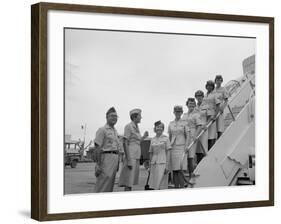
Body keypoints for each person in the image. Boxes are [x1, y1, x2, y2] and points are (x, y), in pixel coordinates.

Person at [118, 109, 149, 191]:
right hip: (131, 156)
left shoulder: (136, 127)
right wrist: (128, 159)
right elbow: (125, 142)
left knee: (131, 181)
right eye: (139, 116)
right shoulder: (128, 126)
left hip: (136, 156)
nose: (141, 117)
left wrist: (144, 137)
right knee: (128, 181)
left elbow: (137, 141)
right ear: (135, 117)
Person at [93, 107, 121, 193]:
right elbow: (97, 148)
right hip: (105, 159)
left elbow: (117, 149)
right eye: (112, 116)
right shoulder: (102, 130)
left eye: (116, 116)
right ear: (107, 117)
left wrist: (118, 163)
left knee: (109, 186)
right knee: (102, 184)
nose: (114, 118)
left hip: (114, 160)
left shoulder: (115, 132)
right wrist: (98, 165)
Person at [182, 98, 203, 184]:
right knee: (185, 156)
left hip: (192, 135)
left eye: (193, 104)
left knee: (191, 157)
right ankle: (186, 174)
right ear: (187, 105)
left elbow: (199, 126)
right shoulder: (184, 115)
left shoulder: (196, 114)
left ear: (194, 105)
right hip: (184, 136)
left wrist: (195, 135)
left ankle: (192, 176)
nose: (191, 105)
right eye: (190, 104)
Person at [168, 105, 189, 188]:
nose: (178, 113)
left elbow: (188, 135)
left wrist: (186, 146)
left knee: (181, 169)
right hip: (173, 148)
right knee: (175, 170)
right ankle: (176, 188)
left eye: (179, 112)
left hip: (181, 147)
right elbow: (169, 136)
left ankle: (182, 188)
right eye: (176, 112)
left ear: (181, 113)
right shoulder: (171, 123)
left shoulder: (185, 122)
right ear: (174, 112)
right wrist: (169, 147)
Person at [148, 121, 171, 190]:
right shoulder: (152, 139)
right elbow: (150, 152)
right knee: (154, 184)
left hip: (162, 163)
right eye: (158, 127)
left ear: (163, 129)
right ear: (155, 128)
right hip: (154, 163)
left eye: (161, 127)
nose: (159, 128)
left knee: (161, 184)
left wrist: (167, 165)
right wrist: (150, 165)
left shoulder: (166, 138)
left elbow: (168, 152)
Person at [204, 80, 220, 150]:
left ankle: (211, 149)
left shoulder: (215, 95)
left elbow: (218, 105)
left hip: (212, 116)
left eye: (211, 86)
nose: (209, 87)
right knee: (206, 135)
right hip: (205, 117)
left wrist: (215, 116)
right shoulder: (204, 95)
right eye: (208, 85)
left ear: (213, 87)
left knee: (211, 135)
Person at [194, 90, 209, 164]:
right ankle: (198, 164)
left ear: (203, 97)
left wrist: (207, 124)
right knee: (197, 148)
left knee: (203, 147)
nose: (199, 97)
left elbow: (210, 116)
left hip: (203, 129)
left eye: (200, 96)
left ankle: (204, 164)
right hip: (197, 129)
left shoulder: (206, 106)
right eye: (197, 96)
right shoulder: (194, 108)